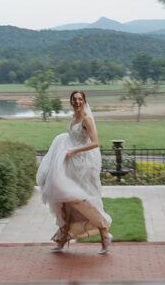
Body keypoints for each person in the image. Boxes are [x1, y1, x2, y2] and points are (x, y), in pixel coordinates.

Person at [36, 89, 113, 254]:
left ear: (84, 101)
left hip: (84, 166)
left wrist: (74, 151)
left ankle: (105, 236)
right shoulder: (74, 118)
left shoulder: (86, 119)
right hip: (71, 164)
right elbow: (70, 138)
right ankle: (62, 240)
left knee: (85, 202)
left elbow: (95, 143)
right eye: (74, 99)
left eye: (80, 99)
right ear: (71, 102)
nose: (77, 102)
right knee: (66, 202)